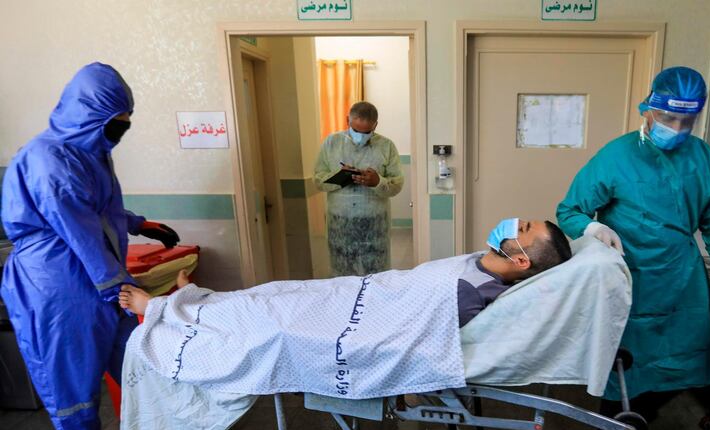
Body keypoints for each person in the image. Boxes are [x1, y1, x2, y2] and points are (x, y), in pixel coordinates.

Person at [556, 66, 710, 430]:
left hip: (681, 281)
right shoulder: (616, 156)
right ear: (647, 109)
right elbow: (570, 209)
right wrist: (591, 228)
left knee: (681, 366)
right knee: (623, 372)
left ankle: (634, 429)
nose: (676, 130)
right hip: (629, 281)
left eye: (687, 122)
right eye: (668, 118)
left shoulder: (703, 159)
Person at [1, 62, 180, 430]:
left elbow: (98, 209)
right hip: (56, 283)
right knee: (73, 374)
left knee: (132, 355)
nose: (120, 133)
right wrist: (120, 286)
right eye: (115, 125)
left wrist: (139, 224)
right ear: (88, 116)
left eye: (124, 125)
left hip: (96, 274)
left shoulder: (92, 152)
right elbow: (78, 228)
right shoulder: (47, 158)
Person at [120, 219, 573, 327]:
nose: (514, 222)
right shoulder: (480, 262)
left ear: (520, 260)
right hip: (364, 290)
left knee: (267, 313)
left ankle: (160, 308)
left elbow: (407, 331)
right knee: (276, 290)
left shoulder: (471, 291)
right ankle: (193, 300)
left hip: (357, 314)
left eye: (524, 228)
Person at [314, 101, 404, 277]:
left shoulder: (387, 146)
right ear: (348, 120)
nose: (360, 136)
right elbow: (318, 180)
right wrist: (341, 178)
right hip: (340, 223)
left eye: (366, 132)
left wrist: (378, 181)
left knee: (377, 276)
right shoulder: (331, 143)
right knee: (342, 275)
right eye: (356, 131)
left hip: (375, 223)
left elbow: (397, 184)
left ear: (375, 125)